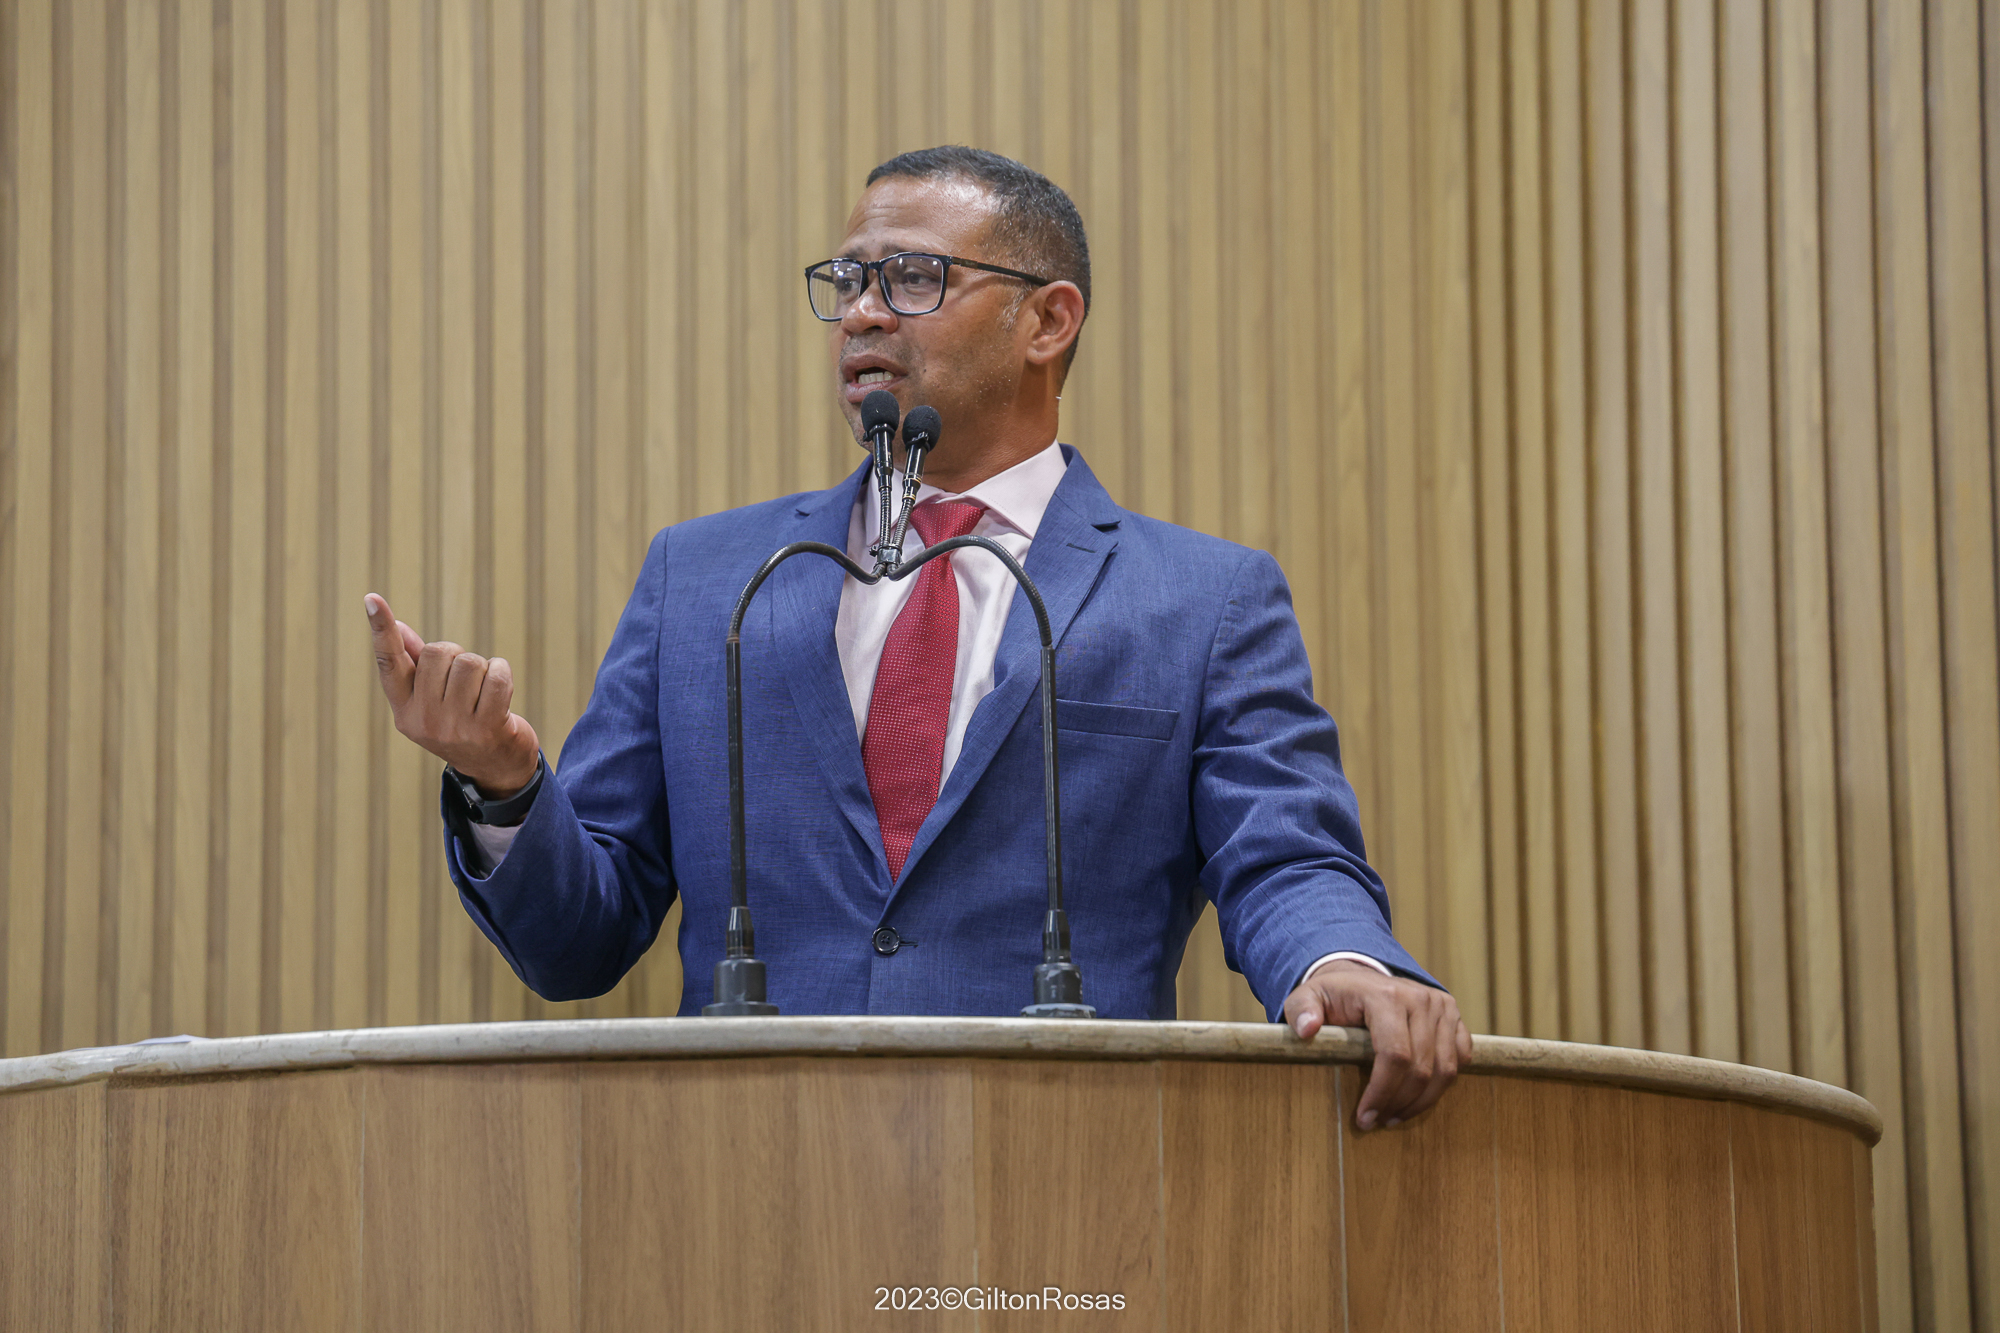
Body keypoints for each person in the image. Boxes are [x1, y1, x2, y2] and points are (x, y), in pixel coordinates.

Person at [363, 146, 1468, 1131]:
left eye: (910, 278)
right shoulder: (705, 584)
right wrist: (504, 786)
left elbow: (1285, 855)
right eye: (847, 281)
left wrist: (1343, 961)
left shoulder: (1201, 600)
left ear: (1047, 321)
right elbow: (577, 943)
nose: (860, 314)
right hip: (744, 1188)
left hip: (1070, 1177)